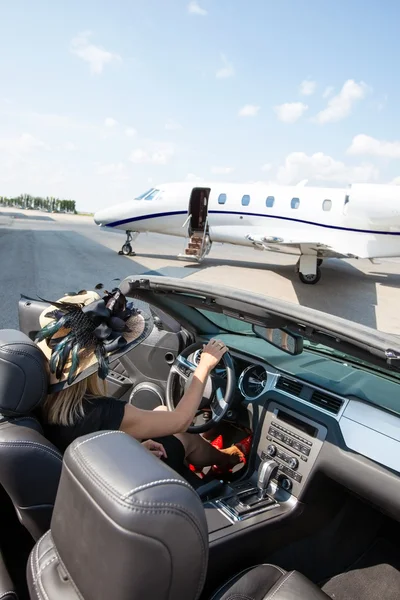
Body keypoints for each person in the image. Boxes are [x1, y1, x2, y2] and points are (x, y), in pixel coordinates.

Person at [34, 287, 248, 478]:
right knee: (184, 435)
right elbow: (181, 420)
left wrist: (132, 450)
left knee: (163, 409)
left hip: (92, 472)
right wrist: (204, 367)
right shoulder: (101, 411)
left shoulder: (38, 396)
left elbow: (91, 450)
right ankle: (227, 460)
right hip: (117, 480)